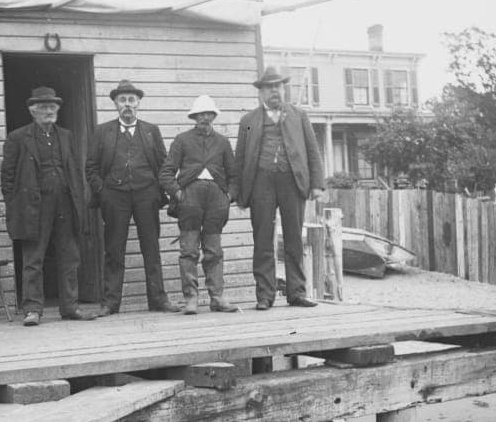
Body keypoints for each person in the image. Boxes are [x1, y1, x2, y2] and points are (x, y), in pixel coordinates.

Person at [235, 67, 326, 310]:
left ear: (283, 89)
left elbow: (312, 150)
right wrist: (238, 193)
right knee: (262, 239)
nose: (274, 91)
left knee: (294, 238)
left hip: (291, 182)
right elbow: (240, 158)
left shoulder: (299, 116)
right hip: (260, 184)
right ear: (261, 92)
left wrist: (317, 184)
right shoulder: (248, 121)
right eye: (269, 87)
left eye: (278, 86)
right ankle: (265, 296)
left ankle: (297, 293)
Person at [86, 79, 179, 316]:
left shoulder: (151, 131)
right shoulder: (102, 132)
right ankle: (110, 303)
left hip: (146, 195)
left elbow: (164, 164)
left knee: (151, 248)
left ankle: (158, 299)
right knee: (114, 250)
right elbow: (91, 167)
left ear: (138, 103)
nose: (127, 104)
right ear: (115, 104)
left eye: (131, 100)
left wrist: (158, 191)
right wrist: (103, 192)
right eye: (122, 100)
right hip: (114, 197)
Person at [1, 86, 90, 325]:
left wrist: (78, 199)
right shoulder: (18, 137)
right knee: (34, 258)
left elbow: (74, 170)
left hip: (65, 203)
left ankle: (70, 307)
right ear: (33, 111)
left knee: (70, 256)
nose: (49, 111)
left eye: (52, 107)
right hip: (35, 206)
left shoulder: (66, 136)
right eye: (43, 107)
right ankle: (32, 309)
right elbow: (7, 177)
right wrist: (16, 205)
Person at [159, 95, 240, 315]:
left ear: (214, 116)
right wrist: (178, 193)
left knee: (214, 250)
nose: (205, 117)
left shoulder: (222, 142)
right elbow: (166, 173)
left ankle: (217, 297)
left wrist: (228, 196)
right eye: (201, 114)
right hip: (190, 200)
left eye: (209, 113)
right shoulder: (182, 140)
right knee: (189, 250)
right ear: (194, 117)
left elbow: (234, 175)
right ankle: (191, 298)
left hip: (216, 200)